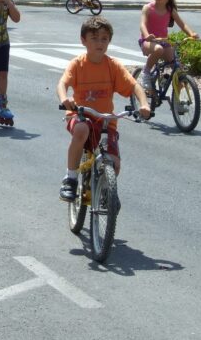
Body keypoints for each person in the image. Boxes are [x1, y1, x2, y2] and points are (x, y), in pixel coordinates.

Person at [56, 16, 151, 202]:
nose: (100, 43)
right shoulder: (78, 64)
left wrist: (144, 104)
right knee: (82, 129)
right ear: (83, 40)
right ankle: (71, 178)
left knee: (114, 164)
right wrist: (64, 98)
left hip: (106, 121)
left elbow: (135, 86)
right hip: (81, 116)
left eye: (104, 39)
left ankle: (105, 190)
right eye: (94, 38)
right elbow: (62, 84)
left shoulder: (112, 66)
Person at [138, 0, 199, 92]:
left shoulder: (170, 10)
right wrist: (147, 36)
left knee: (178, 68)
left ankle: (177, 102)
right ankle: (145, 73)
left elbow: (182, 24)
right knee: (158, 49)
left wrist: (192, 33)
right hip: (148, 41)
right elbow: (142, 25)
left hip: (164, 42)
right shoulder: (148, 8)